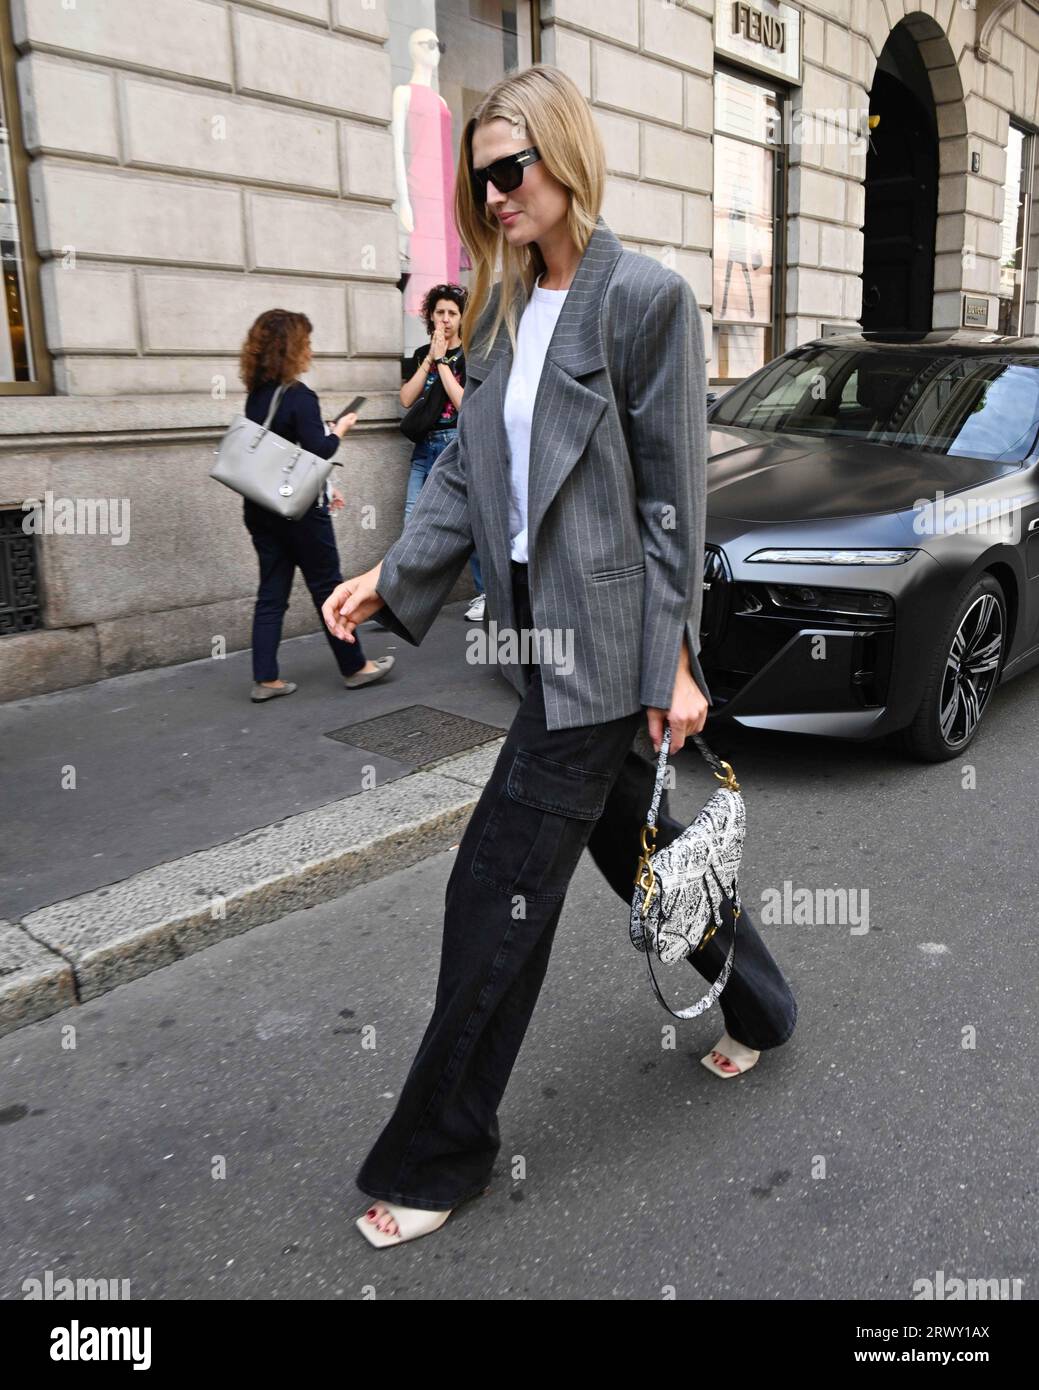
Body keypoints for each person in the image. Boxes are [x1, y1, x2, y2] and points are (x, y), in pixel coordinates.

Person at [322, 66, 797, 1248]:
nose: (491, 195)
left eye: (508, 169)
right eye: (476, 175)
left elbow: (671, 507)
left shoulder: (645, 301)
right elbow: (470, 475)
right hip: (529, 642)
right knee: (648, 851)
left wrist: (672, 660)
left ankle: (441, 1151)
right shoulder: (494, 308)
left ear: (564, 159)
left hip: (602, 648)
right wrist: (394, 571)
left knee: (492, 889)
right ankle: (763, 1003)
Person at [239, 309, 394, 701]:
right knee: (327, 586)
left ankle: (265, 678)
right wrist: (340, 429)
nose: (310, 349)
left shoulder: (256, 397)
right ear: (293, 348)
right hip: (300, 512)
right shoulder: (299, 396)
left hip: (261, 508)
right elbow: (319, 450)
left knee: (271, 591)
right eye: (306, 342)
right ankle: (355, 666)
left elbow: (282, 455)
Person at [400, 283, 486, 620]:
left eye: (452, 313)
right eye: (440, 313)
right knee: (412, 520)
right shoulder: (422, 353)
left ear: (462, 319)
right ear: (430, 316)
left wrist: (444, 362)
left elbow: (464, 402)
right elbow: (407, 399)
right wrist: (429, 362)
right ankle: (404, 597)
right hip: (424, 448)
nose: (445, 319)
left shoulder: (471, 353)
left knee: (471, 523)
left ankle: (485, 594)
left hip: (456, 444)